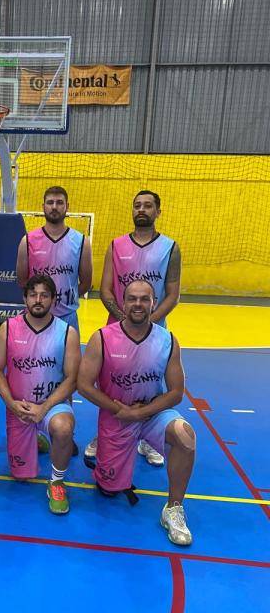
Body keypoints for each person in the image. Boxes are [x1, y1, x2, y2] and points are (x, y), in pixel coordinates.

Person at [77, 280, 195, 546]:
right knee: (109, 490)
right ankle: (107, 457)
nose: (138, 304)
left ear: (154, 303)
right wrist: (121, 410)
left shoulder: (167, 340)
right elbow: (83, 385)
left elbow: (176, 392)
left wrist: (142, 413)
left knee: (185, 436)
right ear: (123, 302)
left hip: (152, 414)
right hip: (117, 415)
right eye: (132, 298)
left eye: (144, 299)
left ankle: (173, 509)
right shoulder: (102, 337)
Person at [85, 190, 182, 468]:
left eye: (148, 206)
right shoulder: (116, 245)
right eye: (137, 205)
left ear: (158, 212)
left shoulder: (170, 248)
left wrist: (147, 322)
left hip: (153, 329)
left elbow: (172, 295)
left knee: (150, 384)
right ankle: (104, 434)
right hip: (117, 328)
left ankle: (148, 438)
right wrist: (124, 320)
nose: (142, 209)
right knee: (111, 387)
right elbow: (105, 290)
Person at [0, 274, 81, 515]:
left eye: (44, 295)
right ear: (25, 298)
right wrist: (11, 403)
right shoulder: (8, 328)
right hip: (18, 407)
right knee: (21, 476)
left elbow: (72, 378)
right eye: (33, 295)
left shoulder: (67, 332)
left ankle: (57, 482)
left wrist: (44, 408)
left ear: (53, 299)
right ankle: (38, 438)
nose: (38, 300)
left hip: (51, 406)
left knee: (63, 428)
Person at [16, 186, 93, 335]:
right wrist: (41, 299)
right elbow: (22, 281)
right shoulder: (28, 240)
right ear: (43, 206)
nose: (54, 207)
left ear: (67, 206)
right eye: (50, 202)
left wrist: (64, 299)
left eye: (59, 202)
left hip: (67, 316)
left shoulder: (81, 241)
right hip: (35, 317)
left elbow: (86, 283)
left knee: (69, 351)